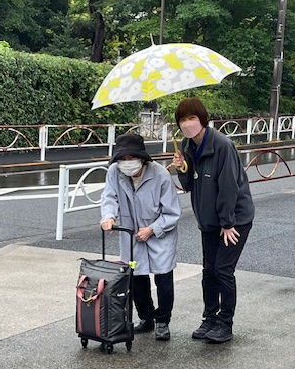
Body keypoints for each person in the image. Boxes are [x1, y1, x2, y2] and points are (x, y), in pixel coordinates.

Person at [173, 97, 255, 343]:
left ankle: (225, 323)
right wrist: (182, 167)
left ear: (203, 119)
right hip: (209, 219)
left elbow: (229, 187)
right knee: (209, 270)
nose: (187, 123)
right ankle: (209, 318)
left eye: (192, 118)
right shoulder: (187, 146)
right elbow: (189, 185)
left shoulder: (222, 145)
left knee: (223, 270)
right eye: (183, 119)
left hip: (234, 219)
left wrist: (227, 223)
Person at [101, 133, 181, 341]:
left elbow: (172, 212)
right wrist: (109, 217)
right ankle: (146, 318)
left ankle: (162, 321)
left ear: (142, 158)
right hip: (131, 233)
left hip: (159, 234)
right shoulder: (115, 172)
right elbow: (109, 197)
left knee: (163, 278)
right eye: (123, 158)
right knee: (136, 278)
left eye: (132, 157)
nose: (127, 162)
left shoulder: (160, 175)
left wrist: (152, 229)